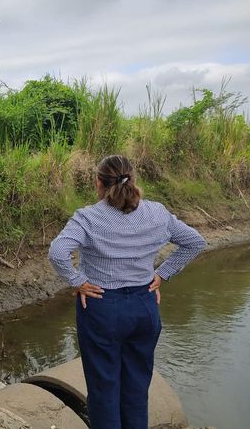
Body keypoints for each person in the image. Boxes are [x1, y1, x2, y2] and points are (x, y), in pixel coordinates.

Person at [48, 154, 206, 429]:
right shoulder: (157, 213)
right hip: (144, 307)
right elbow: (195, 242)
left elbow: (58, 252)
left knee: (103, 389)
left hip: (101, 307)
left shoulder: (88, 218)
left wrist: (78, 281)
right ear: (133, 179)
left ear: (98, 183)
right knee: (136, 388)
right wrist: (161, 274)